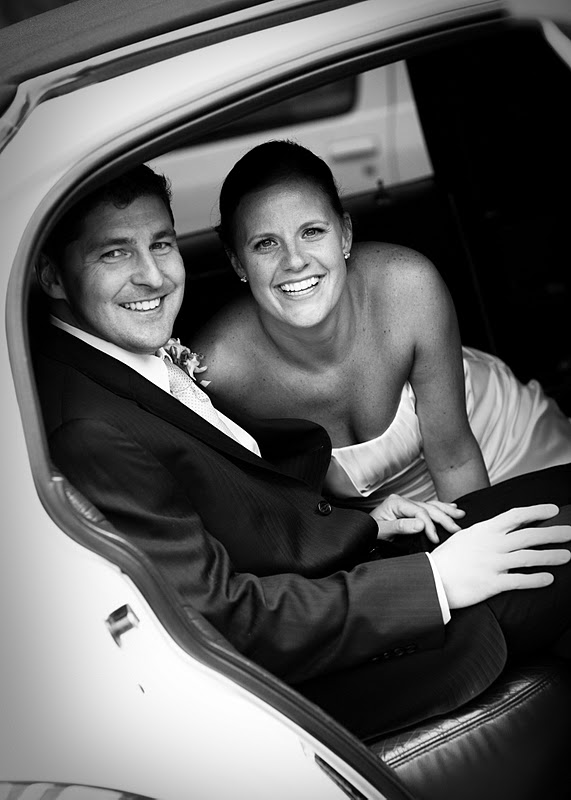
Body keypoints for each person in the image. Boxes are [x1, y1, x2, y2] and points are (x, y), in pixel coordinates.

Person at [33, 164, 571, 738]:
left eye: (161, 244)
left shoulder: (119, 364)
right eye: (115, 253)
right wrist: (436, 581)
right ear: (54, 277)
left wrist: (362, 518)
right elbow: (223, 621)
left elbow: (240, 505)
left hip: (357, 558)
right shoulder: (89, 427)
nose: (152, 275)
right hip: (355, 648)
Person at [192, 139, 571, 509]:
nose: (294, 261)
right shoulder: (217, 374)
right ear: (238, 262)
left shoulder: (408, 286)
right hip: (389, 522)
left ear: (345, 234)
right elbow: (264, 515)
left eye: (312, 232)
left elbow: (455, 461)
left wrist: (479, 545)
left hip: (501, 445)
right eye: (266, 244)